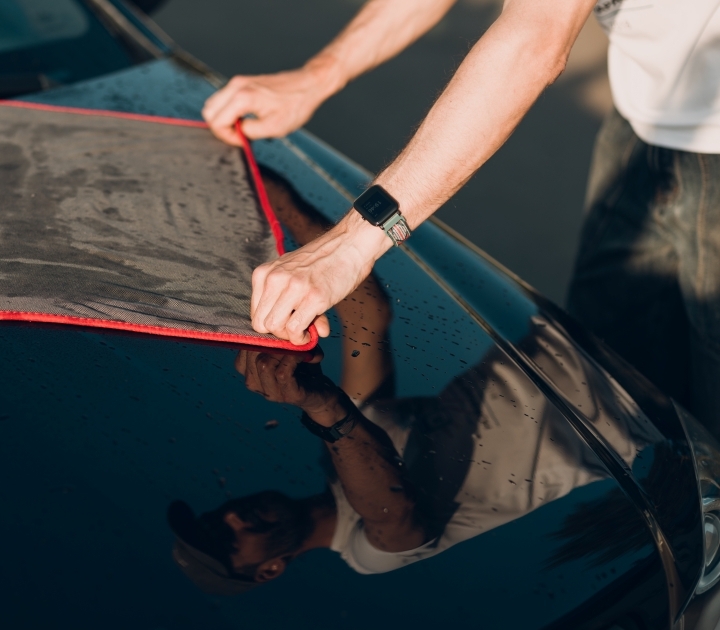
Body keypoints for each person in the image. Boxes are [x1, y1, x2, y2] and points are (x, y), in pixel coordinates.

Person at [202, 0, 720, 430]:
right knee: (618, 392)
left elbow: (531, 43)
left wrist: (353, 244)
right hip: (649, 121)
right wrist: (317, 76)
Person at [167, 171, 650, 594]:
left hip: (573, 331)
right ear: (268, 569)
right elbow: (396, 515)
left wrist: (278, 199)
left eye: (217, 517)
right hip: (634, 404)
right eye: (227, 540)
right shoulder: (368, 553)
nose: (232, 517)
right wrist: (322, 404)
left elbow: (365, 316)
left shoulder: (344, 451)